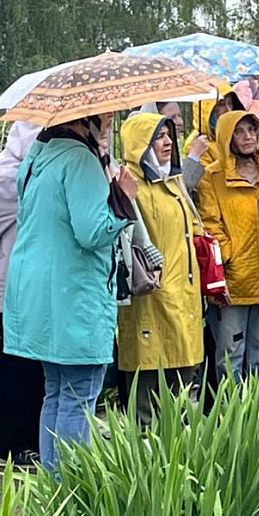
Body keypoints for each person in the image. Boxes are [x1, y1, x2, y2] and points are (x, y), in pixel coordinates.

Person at [2, 114, 137, 470]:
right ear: (86, 116)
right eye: (105, 114)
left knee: (56, 394)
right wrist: (123, 198)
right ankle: (73, 485)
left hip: (40, 298)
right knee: (79, 398)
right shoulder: (79, 159)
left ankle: (54, 485)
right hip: (76, 299)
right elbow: (92, 233)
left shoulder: (39, 155)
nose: (109, 119)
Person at [117, 114, 204, 426]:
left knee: (182, 367)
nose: (168, 142)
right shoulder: (132, 185)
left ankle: (175, 440)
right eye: (158, 137)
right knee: (149, 368)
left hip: (183, 291)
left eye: (168, 135)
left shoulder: (173, 180)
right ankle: (145, 439)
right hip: (151, 292)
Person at [195, 112, 259, 380]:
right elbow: (209, 224)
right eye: (239, 131)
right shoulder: (212, 177)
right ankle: (232, 407)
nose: (248, 137)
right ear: (227, 137)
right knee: (230, 356)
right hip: (233, 283)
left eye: (253, 130)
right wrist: (230, 258)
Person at [0, 122, 43, 464]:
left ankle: (32, 439)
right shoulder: (9, 178)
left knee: (34, 368)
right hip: (10, 286)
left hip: (34, 286)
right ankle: (13, 444)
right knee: (15, 369)